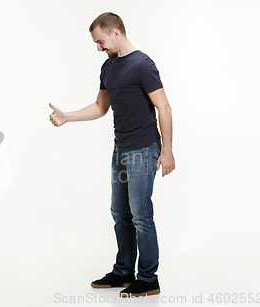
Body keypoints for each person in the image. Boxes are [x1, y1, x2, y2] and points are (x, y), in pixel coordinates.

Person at [49, 12, 175, 298]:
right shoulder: (108, 68)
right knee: (120, 213)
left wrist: (167, 151)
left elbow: (164, 108)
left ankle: (148, 279)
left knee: (141, 215)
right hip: (121, 150)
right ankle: (123, 272)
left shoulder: (143, 64)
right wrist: (66, 117)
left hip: (144, 150)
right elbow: (100, 107)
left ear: (115, 33)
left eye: (101, 41)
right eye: (96, 43)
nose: (99, 48)